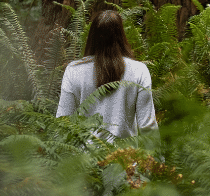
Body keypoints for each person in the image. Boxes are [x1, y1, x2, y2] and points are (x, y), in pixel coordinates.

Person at [56, 10, 158, 144]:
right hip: (124, 161)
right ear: (121, 35)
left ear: (92, 36)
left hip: (83, 161)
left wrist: (59, 160)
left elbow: (63, 122)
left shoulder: (74, 70)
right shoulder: (139, 70)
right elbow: (148, 125)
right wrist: (156, 162)